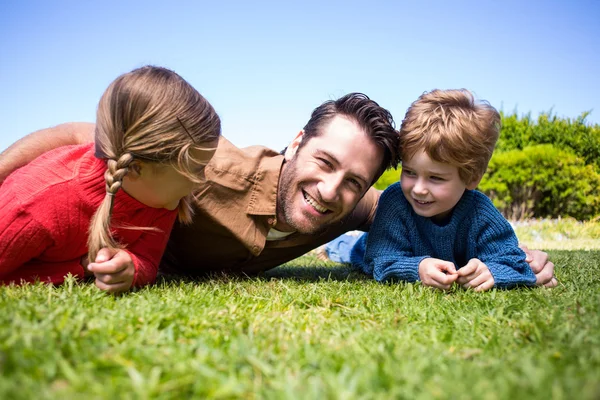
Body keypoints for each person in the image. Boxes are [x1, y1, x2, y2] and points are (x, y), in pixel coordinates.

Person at [0, 92, 558, 287]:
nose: (330, 189)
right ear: (296, 142)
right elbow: (83, 134)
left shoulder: (349, 204)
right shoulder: (207, 166)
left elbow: (418, 216)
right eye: (325, 161)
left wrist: (510, 257)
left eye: (353, 180)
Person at [0, 66, 221, 293]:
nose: (202, 179)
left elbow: (148, 258)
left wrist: (130, 267)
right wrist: (78, 268)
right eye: (196, 169)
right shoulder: (35, 207)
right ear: (136, 168)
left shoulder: (162, 197)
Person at [351, 89, 550, 291]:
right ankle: (335, 245)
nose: (418, 189)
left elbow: (513, 259)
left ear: (471, 178)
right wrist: (417, 268)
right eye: (410, 172)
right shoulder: (395, 201)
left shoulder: (480, 212)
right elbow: (379, 260)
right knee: (344, 250)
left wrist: (492, 272)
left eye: (435, 178)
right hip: (364, 247)